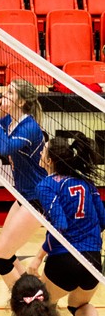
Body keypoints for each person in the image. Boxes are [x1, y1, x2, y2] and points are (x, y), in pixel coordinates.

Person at [27, 134, 105, 316]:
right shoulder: (87, 183)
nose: (40, 153)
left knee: (40, 308)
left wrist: (39, 257)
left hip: (65, 259)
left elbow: (60, 225)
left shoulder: (46, 185)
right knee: (79, 306)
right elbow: (103, 221)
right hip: (92, 260)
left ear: (50, 160)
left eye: (43, 150)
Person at [0, 79, 47, 288]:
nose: (5, 94)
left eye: (10, 92)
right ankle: (33, 296)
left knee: (0, 258)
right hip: (23, 196)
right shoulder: (11, 121)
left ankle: (25, 303)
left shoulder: (29, 127)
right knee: (7, 254)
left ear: (20, 102)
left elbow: (5, 148)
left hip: (36, 200)